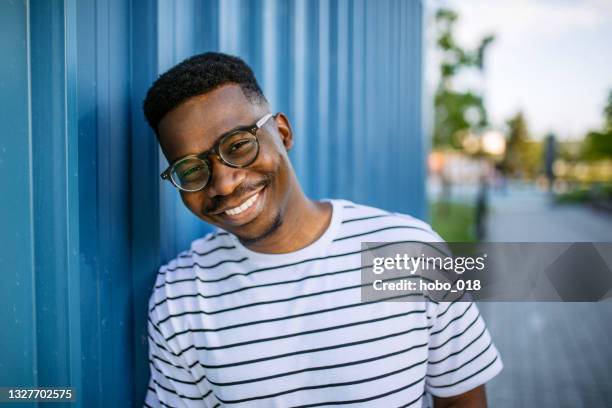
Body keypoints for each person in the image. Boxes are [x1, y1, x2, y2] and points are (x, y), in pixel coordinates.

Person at [142, 52, 502, 408]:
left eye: (238, 145)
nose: (222, 183)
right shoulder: (180, 295)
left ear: (282, 133)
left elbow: (461, 399)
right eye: (191, 170)